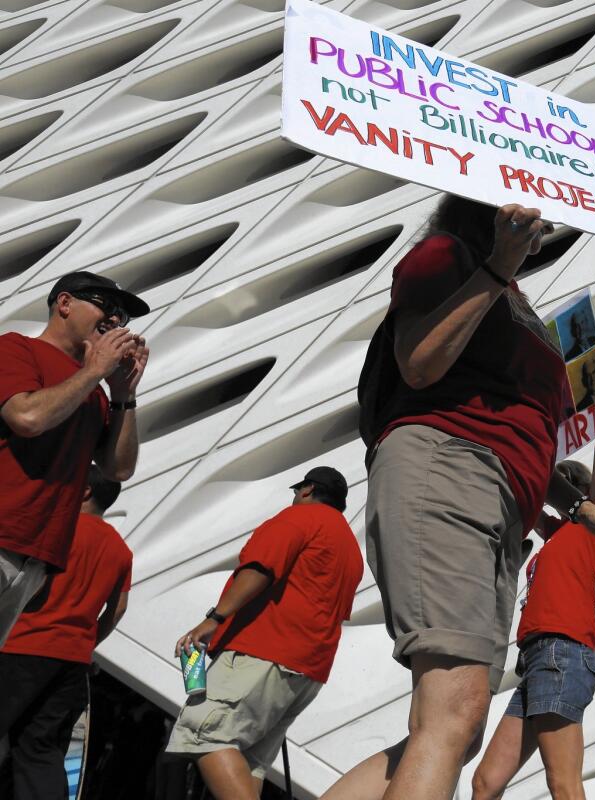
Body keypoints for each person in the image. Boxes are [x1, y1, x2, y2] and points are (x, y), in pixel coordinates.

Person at [326, 196, 595, 800]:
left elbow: (523, 431)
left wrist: (582, 507)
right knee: (455, 709)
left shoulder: (511, 295)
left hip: (499, 503)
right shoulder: (449, 257)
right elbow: (419, 364)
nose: (543, 212)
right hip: (450, 469)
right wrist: (497, 266)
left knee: (455, 725)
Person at [472, 349, 595, 800]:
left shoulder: (591, 527)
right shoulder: (554, 536)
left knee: (563, 783)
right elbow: (524, 493)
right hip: (537, 657)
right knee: (485, 783)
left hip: (562, 651)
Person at [165, 467, 363, 799]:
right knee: (249, 760)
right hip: (307, 670)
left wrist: (214, 618)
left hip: (263, 653)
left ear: (306, 490)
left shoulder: (298, 519)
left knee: (204, 734)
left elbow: (261, 568)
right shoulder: (349, 548)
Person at [0, 271, 148, 646]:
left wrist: (123, 393)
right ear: (64, 304)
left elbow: (118, 468)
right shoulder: (16, 349)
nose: (115, 322)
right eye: (108, 308)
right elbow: (27, 418)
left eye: (123, 318)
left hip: (36, 554)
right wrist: (96, 370)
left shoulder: (96, 393)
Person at [0, 465, 132, 800]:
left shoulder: (56, 529)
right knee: (40, 748)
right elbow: (117, 609)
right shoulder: (120, 549)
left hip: (23, 645)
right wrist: (88, 644)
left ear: (84, 490)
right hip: (72, 661)